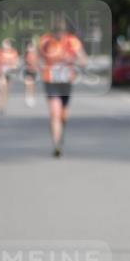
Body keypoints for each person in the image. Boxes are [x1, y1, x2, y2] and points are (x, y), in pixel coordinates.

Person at [38, 17, 87, 157]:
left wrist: (73, 60)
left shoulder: (72, 41)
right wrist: (39, 65)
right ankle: (56, 144)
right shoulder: (45, 40)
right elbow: (37, 57)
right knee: (55, 113)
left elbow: (83, 60)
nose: (58, 35)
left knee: (63, 115)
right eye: (55, 32)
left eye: (60, 32)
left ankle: (61, 132)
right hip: (51, 80)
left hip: (66, 82)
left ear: (65, 31)